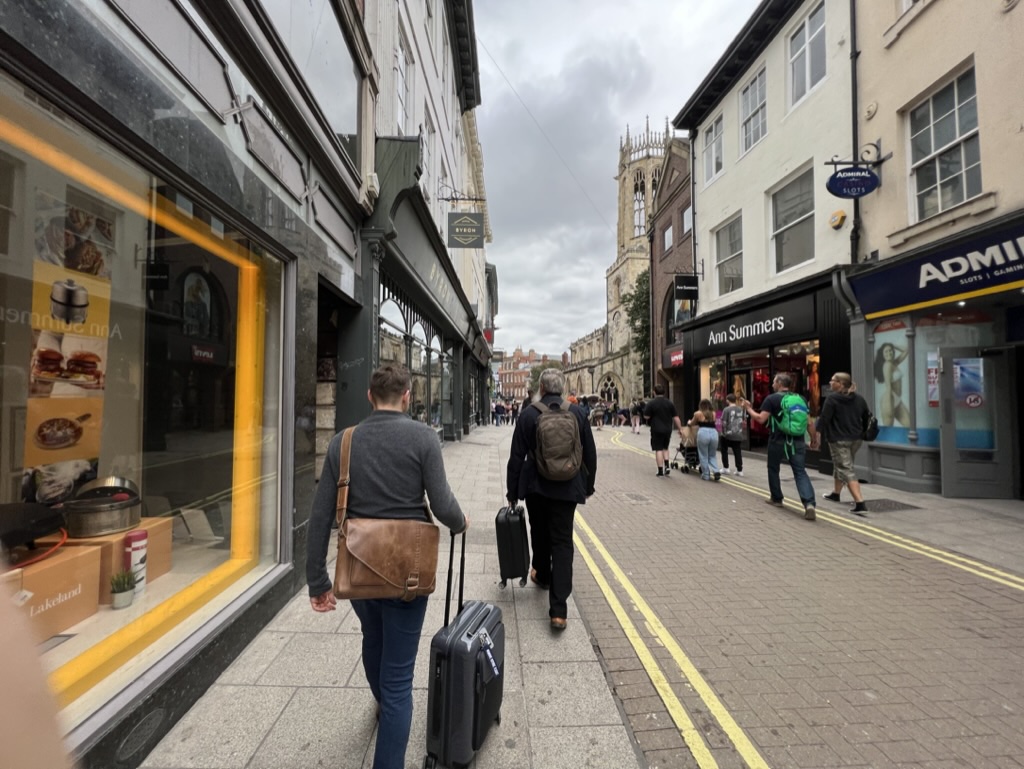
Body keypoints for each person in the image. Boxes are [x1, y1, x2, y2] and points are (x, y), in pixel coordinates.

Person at [307, 364, 468, 769]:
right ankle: (388, 714)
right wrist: (461, 522)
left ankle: (381, 702)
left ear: (369, 397)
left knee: (372, 637)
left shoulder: (343, 442)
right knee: (399, 683)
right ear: (408, 396)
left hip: (358, 570)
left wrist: (316, 580)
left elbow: (321, 513)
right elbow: (443, 503)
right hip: (406, 573)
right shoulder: (424, 437)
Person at [507, 368, 596, 630]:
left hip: (537, 487)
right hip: (568, 487)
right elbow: (589, 453)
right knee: (562, 541)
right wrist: (588, 485)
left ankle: (543, 575)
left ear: (542, 389)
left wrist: (512, 493)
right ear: (563, 388)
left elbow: (516, 457)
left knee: (540, 533)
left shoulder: (529, 414)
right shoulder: (578, 413)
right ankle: (559, 611)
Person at [741, 372, 819, 520]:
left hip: (778, 440)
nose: (772, 384)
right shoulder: (800, 398)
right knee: (800, 472)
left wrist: (748, 408)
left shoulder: (771, 399)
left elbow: (760, 419)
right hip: (798, 441)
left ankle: (777, 499)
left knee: (773, 468)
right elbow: (809, 422)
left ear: (780, 384)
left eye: (774, 382)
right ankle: (809, 504)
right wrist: (814, 438)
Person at [818, 372, 870, 514]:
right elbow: (867, 417)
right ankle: (836, 493)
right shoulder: (859, 399)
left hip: (839, 439)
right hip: (856, 439)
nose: (830, 382)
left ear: (840, 384)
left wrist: (816, 435)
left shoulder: (832, 399)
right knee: (841, 464)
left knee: (845, 468)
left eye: (832, 380)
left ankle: (860, 503)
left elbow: (824, 419)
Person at [643, 383, 686, 477]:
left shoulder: (651, 403)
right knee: (665, 447)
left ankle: (660, 470)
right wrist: (680, 429)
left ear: (654, 392)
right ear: (664, 392)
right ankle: (667, 466)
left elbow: (646, 416)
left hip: (656, 429)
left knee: (658, 449)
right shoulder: (669, 403)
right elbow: (676, 417)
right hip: (667, 429)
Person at [874, 342, 910, 427]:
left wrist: (894, 345)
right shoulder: (887, 365)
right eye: (886, 351)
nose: (889, 353)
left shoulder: (894, 363)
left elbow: (907, 350)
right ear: (882, 355)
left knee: (910, 425)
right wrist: (889, 406)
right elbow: (888, 386)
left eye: (890, 350)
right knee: (888, 429)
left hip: (896, 399)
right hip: (889, 399)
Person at [688, 398, 721, 481]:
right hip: (714, 433)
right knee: (712, 455)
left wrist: (689, 423)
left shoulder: (697, 413)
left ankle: (706, 475)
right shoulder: (714, 413)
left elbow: (692, 424)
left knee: (703, 455)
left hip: (703, 433)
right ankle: (716, 471)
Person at [718, 393, 745, 476]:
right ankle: (739, 470)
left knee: (724, 450)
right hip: (738, 434)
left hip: (728, 435)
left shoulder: (726, 410)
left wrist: (723, 433)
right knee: (737, 451)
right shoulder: (740, 409)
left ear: (727, 400)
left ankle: (726, 468)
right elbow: (742, 420)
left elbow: (724, 422)